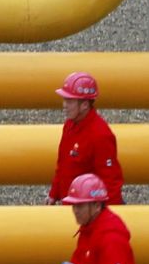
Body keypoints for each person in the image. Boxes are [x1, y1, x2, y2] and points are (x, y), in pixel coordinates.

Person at [47, 71, 123, 205]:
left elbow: (110, 181)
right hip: (73, 208)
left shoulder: (100, 135)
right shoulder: (70, 125)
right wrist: (53, 194)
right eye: (65, 100)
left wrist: (105, 219)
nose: (64, 105)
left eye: (69, 101)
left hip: (87, 212)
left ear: (85, 105)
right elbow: (63, 165)